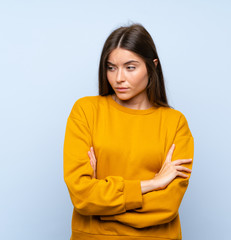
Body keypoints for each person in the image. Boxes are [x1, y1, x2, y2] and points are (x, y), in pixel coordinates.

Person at [63, 23, 194, 240]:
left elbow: (167, 206)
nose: (118, 78)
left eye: (130, 67)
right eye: (111, 67)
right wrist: (151, 184)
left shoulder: (175, 123)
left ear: (152, 66)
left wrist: (102, 206)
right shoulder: (86, 111)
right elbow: (82, 196)